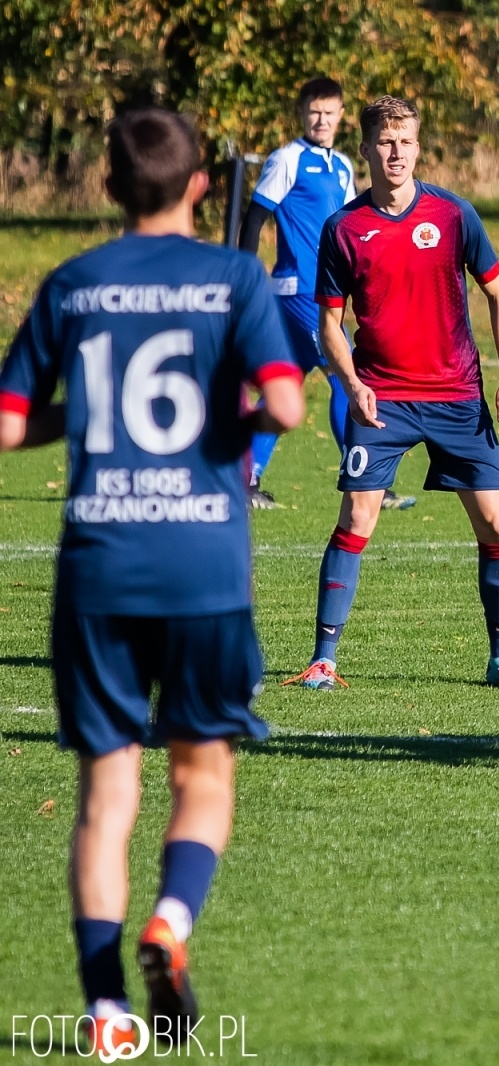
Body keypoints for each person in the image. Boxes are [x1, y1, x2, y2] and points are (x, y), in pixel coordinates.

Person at [0, 109, 304, 1052]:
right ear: (204, 187)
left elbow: (9, 427)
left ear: (105, 189)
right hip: (203, 563)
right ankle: (171, 921)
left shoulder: (74, 283)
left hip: (100, 565)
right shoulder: (234, 277)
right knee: (203, 775)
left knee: (106, 791)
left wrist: (85, 424)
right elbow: (286, 405)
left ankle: (103, 1013)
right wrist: (233, 402)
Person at [283, 95, 499, 693]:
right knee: (356, 514)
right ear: (367, 148)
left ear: (418, 147)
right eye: (385, 141)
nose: (396, 152)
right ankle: (324, 659)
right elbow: (329, 322)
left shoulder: (453, 215)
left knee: (496, 526)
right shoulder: (344, 228)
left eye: (406, 141)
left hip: (456, 395)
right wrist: (350, 384)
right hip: (383, 400)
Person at [238, 78, 415, 512]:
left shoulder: (340, 167)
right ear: (303, 114)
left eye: (329, 112)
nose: (321, 120)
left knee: (286, 382)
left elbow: (354, 228)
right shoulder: (288, 159)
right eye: (314, 112)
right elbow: (255, 217)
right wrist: (244, 275)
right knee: (344, 374)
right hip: (298, 288)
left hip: (328, 290)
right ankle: (366, 475)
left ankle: (246, 478)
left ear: (340, 116)